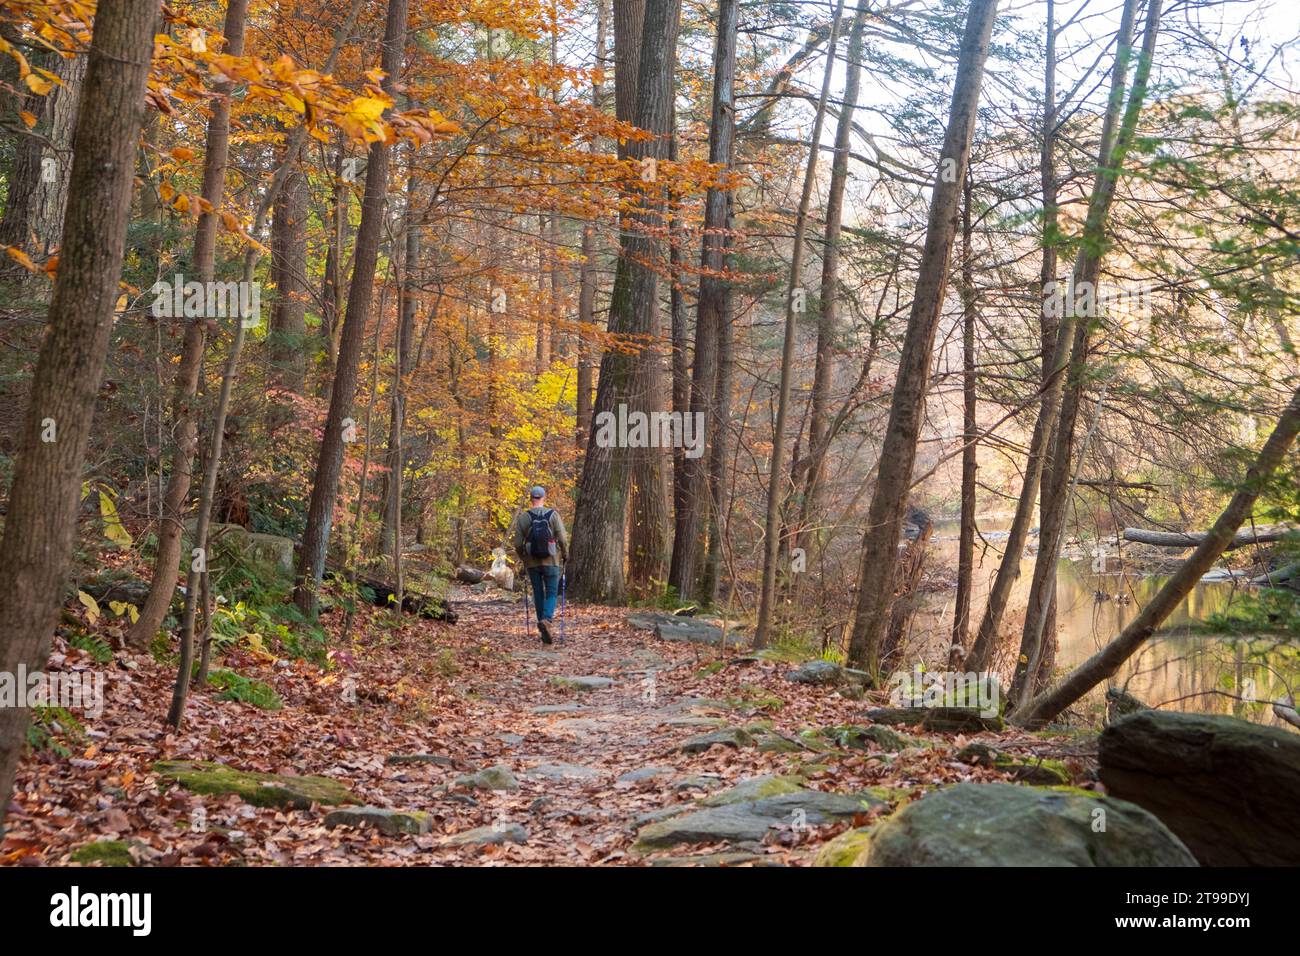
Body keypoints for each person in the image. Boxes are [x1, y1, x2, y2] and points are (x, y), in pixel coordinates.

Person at [511, 485, 569, 644]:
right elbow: (562, 538)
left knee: (538, 593)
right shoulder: (553, 515)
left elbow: (517, 543)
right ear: (543, 498)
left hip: (532, 563)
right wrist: (565, 555)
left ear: (531, 499)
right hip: (552, 561)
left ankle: (542, 624)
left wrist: (523, 557)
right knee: (551, 592)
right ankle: (547, 621)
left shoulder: (524, 517)